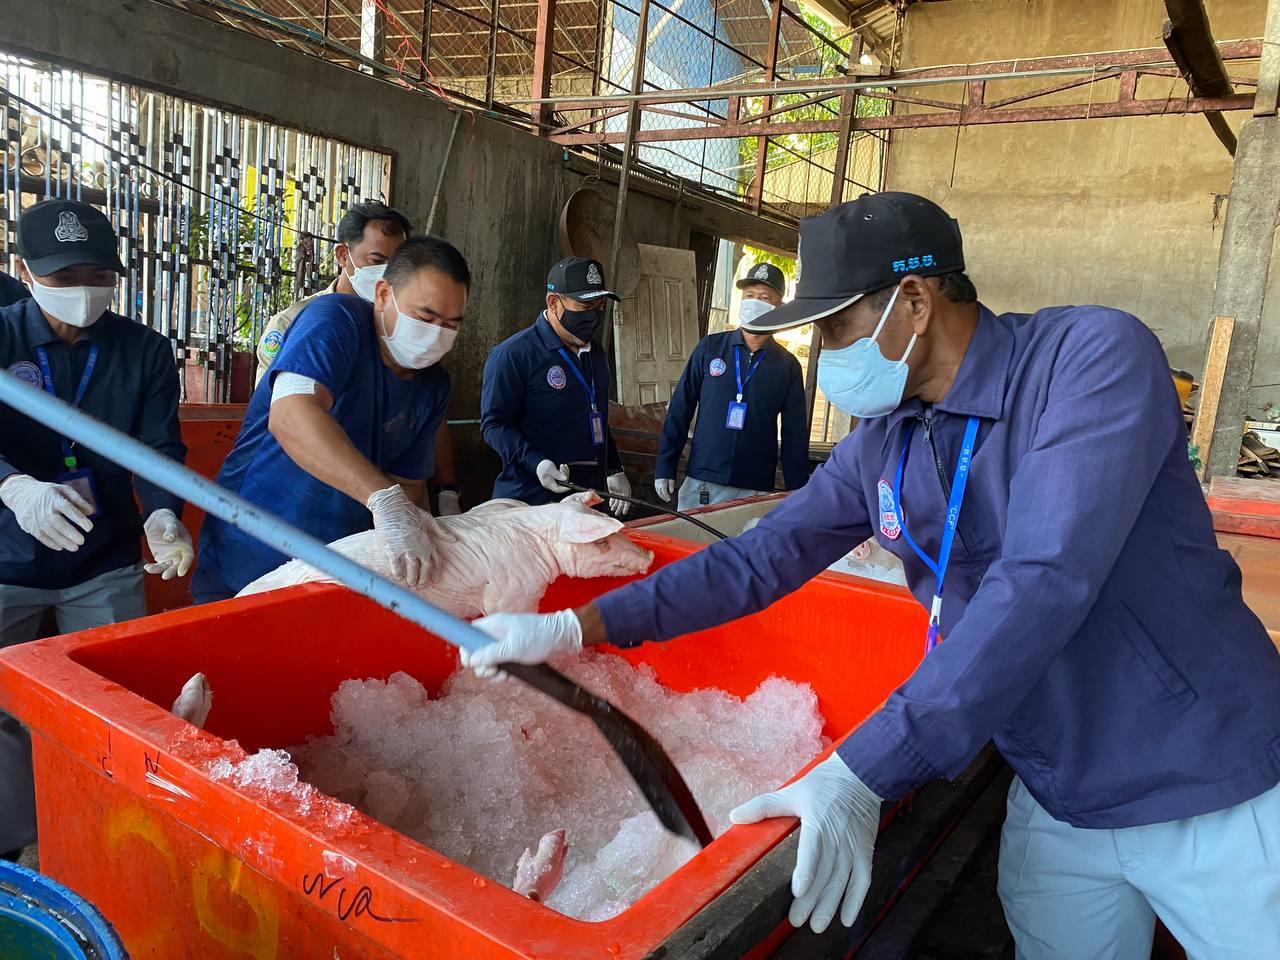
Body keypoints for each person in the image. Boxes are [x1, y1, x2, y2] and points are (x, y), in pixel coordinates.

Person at [460, 192, 1280, 958]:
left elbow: (1043, 577)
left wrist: (860, 771)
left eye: (835, 326)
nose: (825, 353)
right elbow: (758, 559)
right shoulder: (886, 439)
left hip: (1202, 776)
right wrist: (575, 625)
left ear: (914, 302)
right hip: (1057, 784)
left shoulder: (1086, 361)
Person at [0, 199, 192, 860]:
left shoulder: (144, 350)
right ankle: (21, 848)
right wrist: (13, 487)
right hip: (7, 558)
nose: (83, 289)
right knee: (3, 711)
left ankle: (101, 839)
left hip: (104, 558)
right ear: (24, 270)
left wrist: (163, 513)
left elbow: (160, 446)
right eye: (63, 276)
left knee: (112, 702)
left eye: (98, 274)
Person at [191, 236, 468, 602]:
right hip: (251, 550)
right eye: (425, 317)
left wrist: (423, 551)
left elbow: (409, 485)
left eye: (451, 324)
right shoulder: (336, 320)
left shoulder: (433, 385)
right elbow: (291, 415)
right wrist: (384, 500)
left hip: (339, 567)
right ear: (384, 295)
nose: (436, 334)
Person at [255, 202, 463, 515]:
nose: (388, 274)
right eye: (377, 261)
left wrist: (439, 498)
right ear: (343, 256)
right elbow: (283, 416)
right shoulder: (299, 322)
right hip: (290, 493)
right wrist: (384, 498)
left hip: (360, 504)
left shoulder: (402, 337)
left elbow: (419, 429)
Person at [481, 257, 632, 515]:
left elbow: (595, 414)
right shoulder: (514, 355)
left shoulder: (595, 353)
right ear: (553, 303)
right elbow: (494, 425)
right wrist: (536, 462)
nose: (593, 316)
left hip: (588, 499)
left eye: (599, 306)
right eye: (585, 306)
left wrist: (613, 468)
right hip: (531, 502)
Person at [654, 261, 807, 510]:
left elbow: (794, 435)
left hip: (755, 484)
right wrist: (665, 465)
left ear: (778, 307)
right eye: (749, 296)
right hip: (703, 477)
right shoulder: (710, 348)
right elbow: (680, 409)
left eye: (764, 298)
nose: (754, 302)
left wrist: (797, 492)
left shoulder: (786, 366)